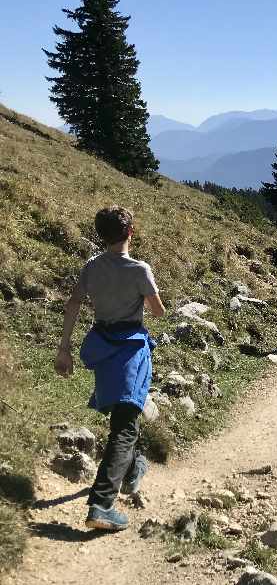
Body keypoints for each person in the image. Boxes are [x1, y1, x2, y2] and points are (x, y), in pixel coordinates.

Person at [54, 206, 166, 531]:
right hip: (130, 347)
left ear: (101, 235)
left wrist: (64, 349)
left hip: (102, 345)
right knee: (126, 424)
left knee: (122, 414)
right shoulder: (140, 269)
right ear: (131, 232)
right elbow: (158, 312)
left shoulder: (91, 266)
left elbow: (73, 303)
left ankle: (132, 470)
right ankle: (101, 505)